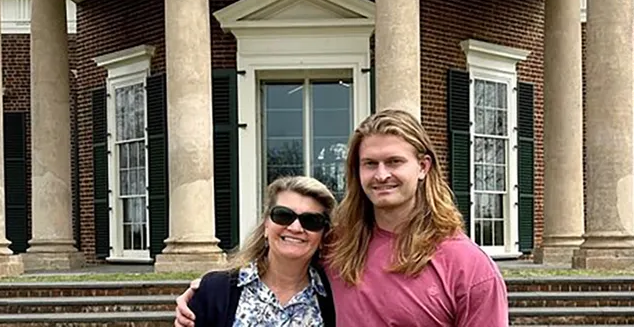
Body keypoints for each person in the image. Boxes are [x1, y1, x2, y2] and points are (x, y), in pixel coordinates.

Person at [176, 109, 509, 326]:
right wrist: (206, 291)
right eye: (370, 164)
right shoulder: (340, 244)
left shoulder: (468, 268)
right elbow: (282, 259)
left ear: (422, 167)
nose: (381, 175)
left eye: (394, 162)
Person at [183, 175, 337, 327]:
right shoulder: (216, 290)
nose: (295, 228)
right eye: (283, 215)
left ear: (323, 236)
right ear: (266, 226)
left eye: (311, 221)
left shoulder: (335, 298)